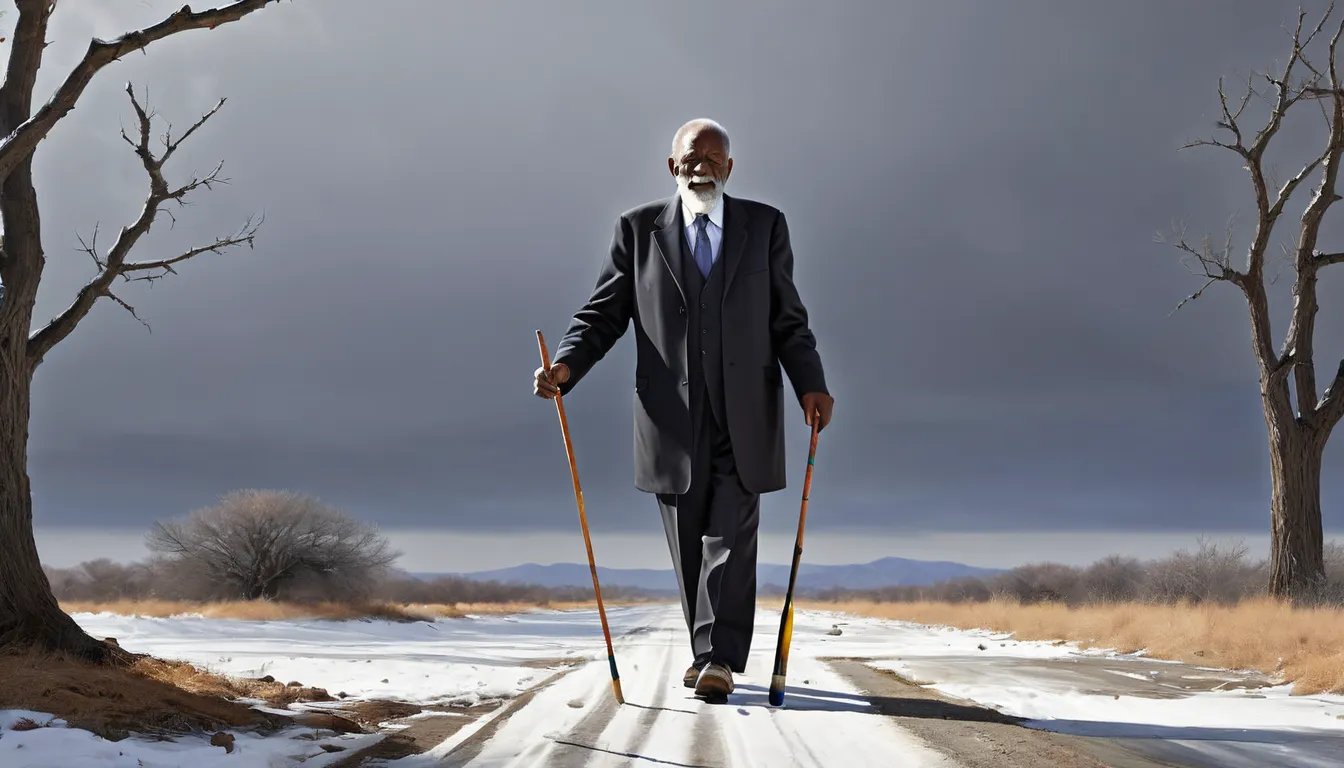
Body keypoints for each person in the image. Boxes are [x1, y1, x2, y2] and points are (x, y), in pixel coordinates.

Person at [532, 118, 833, 701]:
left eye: (715, 159)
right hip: (670, 418)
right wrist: (566, 366)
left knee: (733, 530)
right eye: (692, 158)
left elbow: (787, 319)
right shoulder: (638, 229)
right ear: (673, 167)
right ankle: (705, 652)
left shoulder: (765, 227)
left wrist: (810, 385)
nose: (703, 168)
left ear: (730, 168)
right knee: (688, 538)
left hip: (746, 412)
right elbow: (603, 313)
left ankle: (719, 657)